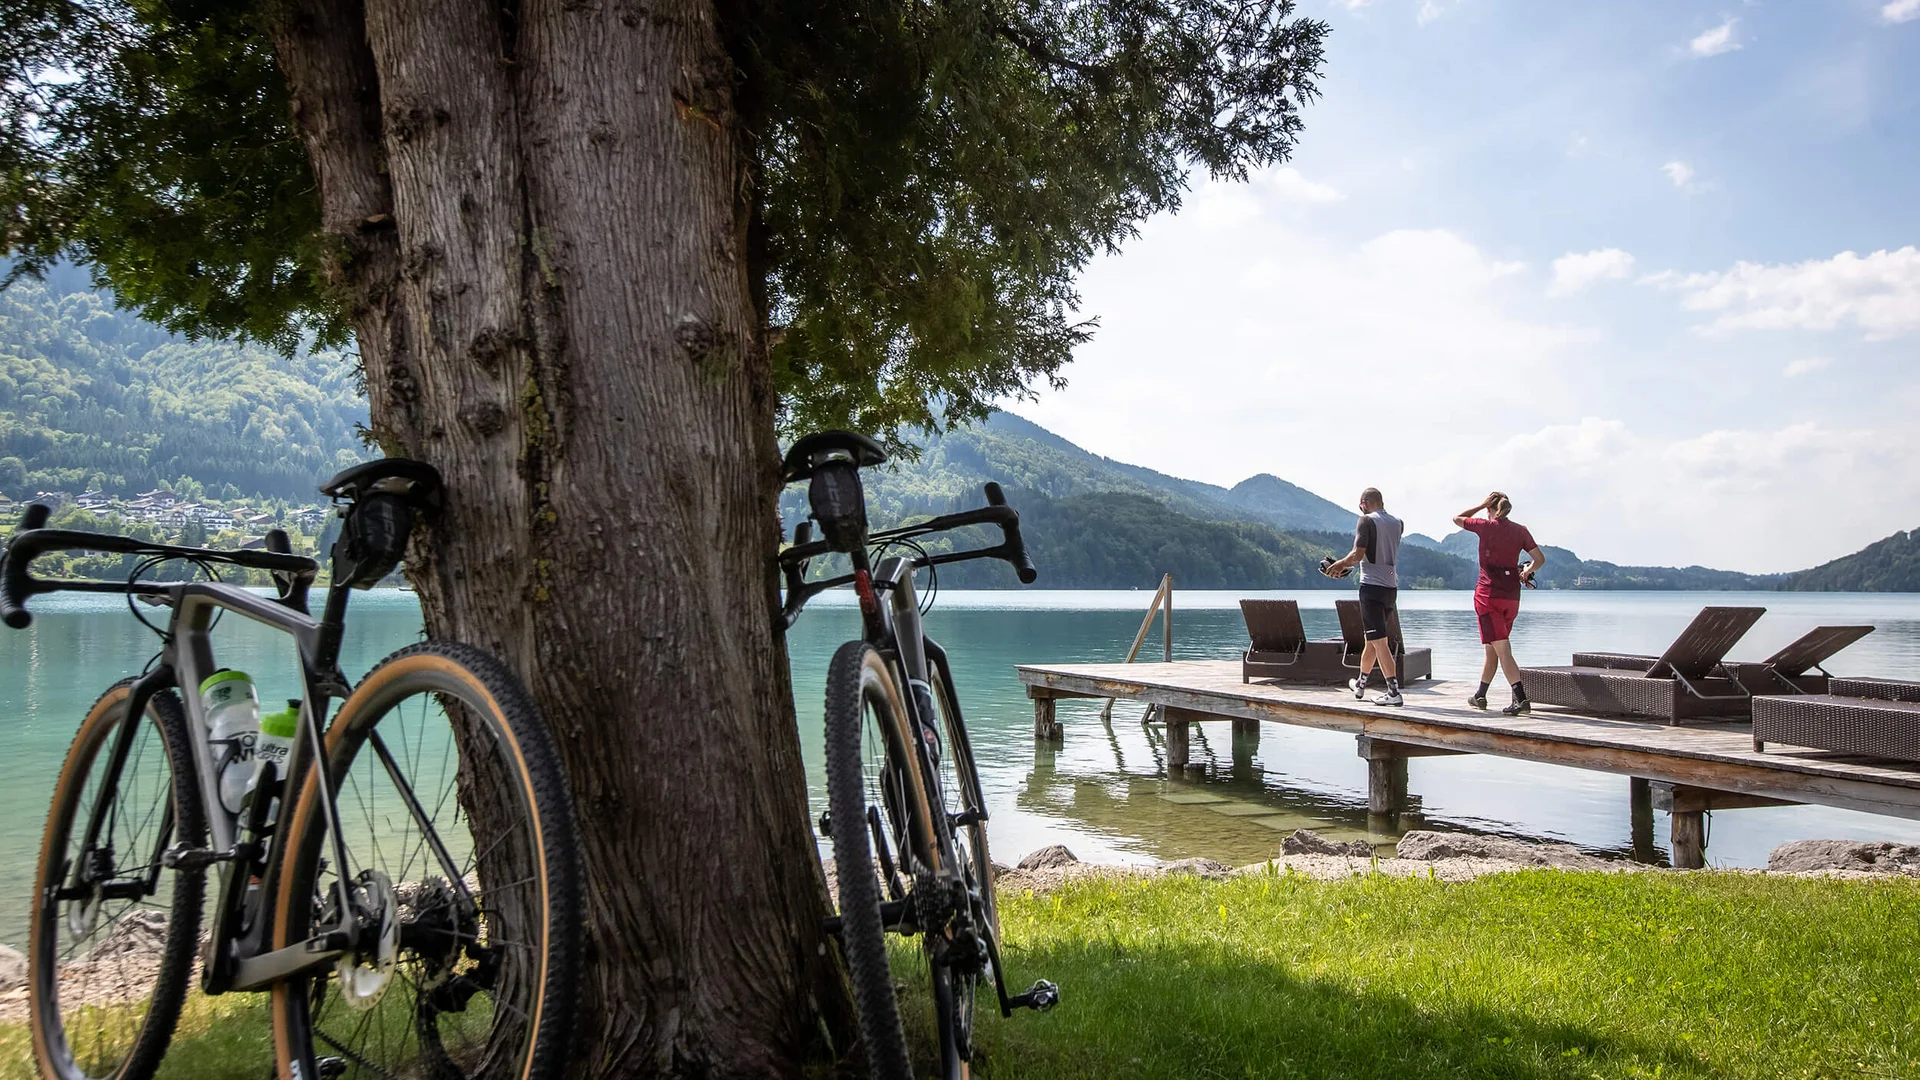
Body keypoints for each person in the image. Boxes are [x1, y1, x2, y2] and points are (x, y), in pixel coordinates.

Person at [1453, 491, 1546, 715]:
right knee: (1492, 649)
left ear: (1489, 509)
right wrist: (1527, 571)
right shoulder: (1520, 530)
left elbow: (1457, 518)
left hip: (1488, 597)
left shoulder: (1485, 526)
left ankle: (1521, 700)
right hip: (1511, 598)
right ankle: (1480, 695)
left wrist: (1479, 505)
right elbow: (1540, 559)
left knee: (1502, 649)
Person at [1322, 487, 1405, 706]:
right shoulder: (1398, 523)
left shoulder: (1366, 520)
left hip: (1371, 588)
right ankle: (1360, 684)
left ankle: (1393, 692)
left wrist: (1339, 565)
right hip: (1390, 588)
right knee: (1372, 640)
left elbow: (1358, 554)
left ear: (1364, 503)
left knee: (1380, 642)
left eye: (1360, 506)